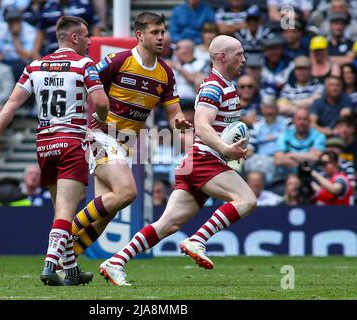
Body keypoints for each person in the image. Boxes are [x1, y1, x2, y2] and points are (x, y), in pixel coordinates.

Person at [98, 35, 257, 286]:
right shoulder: (214, 87)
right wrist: (226, 148)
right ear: (223, 57)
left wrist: (232, 147)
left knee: (166, 225)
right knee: (246, 200)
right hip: (205, 161)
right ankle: (198, 240)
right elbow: (202, 126)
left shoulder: (226, 86)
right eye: (239, 54)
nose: (244, 59)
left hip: (198, 162)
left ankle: (115, 261)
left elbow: (215, 127)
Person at [0, 16, 109, 286]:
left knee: (61, 211)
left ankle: (71, 271)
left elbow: (12, 104)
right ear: (74, 38)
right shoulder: (84, 64)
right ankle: (50, 266)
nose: (90, 40)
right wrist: (101, 117)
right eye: (86, 35)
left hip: (45, 145)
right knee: (65, 213)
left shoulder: (35, 66)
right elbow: (100, 101)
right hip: (72, 143)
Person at [68, 12, 191, 257]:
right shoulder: (118, 60)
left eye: (162, 33)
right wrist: (91, 112)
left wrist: (179, 121)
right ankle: (61, 238)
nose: (160, 38)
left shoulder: (165, 73)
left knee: (105, 215)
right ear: (139, 35)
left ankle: (65, 261)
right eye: (155, 33)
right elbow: (82, 83)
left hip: (124, 144)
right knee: (127, 192)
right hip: (101, 136)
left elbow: (173, 112)